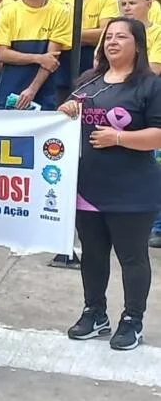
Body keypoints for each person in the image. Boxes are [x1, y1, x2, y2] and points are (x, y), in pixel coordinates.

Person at [58, 17, 161, 351]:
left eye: (121, 37)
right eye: (108, 37)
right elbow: (65, 119)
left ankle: (132, 320)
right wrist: (66, 109)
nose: (112, 42)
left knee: (132, 257)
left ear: (138, 45)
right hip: (88, 186)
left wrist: (119, 137)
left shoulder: (150, 85)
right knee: (93, 254)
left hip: (132, 189)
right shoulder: (88, 82)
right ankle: (94, 312)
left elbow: (158, 135)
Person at [0, 0, 71, 110]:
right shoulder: (8, 12)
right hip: (10, 87)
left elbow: (51, 60)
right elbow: (2, 54)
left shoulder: (60, 12)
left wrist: (32, 90)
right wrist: (38, 58)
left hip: (44, 90)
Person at [51, 0, 119, 96]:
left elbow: (106, 33)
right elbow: (52, 35)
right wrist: (90, 34)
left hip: (95, 57)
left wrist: (68, 35)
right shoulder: (54, 0)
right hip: (63, 60)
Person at [114, 0, 161, 74]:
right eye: (123, 4)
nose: (126, 8)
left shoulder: (158, 33)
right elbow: (98, 62)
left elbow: (154, 69)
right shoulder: (113, 30)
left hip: (144, 84)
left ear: (149, 4)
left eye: (132, 3)